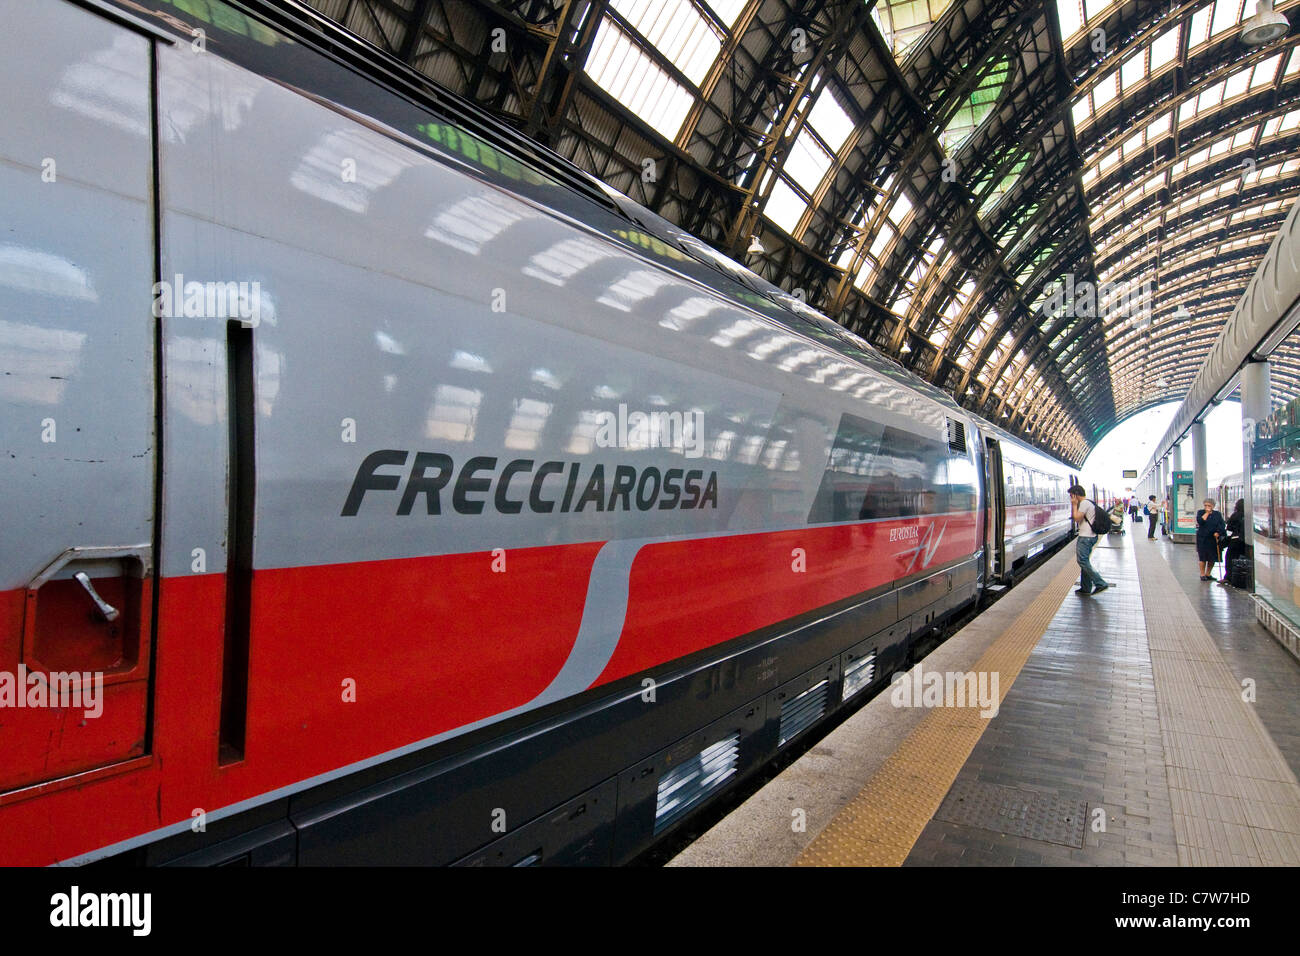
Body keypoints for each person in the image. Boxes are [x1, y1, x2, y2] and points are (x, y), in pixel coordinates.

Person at [1069, 485, 1110, 596]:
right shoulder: (1088, 503)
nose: (1070, 498)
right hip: (1090, 536)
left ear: (1075, 494)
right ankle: (1085, 588)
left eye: (1071, 496)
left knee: (1082, 561)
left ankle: (1100, 583)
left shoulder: (1084, 504)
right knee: (1085, 561)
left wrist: (1074, 505)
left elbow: (1077, 518)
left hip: (1086, 537)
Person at [1195, 498, 1226, 581]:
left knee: (1212, 557)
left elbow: (1221, 524)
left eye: (1209, 506)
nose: (1207, 507)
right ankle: (1202, 574)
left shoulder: (1217, 514)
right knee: (1203, 557)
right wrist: (1207, 513)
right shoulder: (1201, 512)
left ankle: (1208, 573)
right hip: (1202, 538)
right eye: (1205, 505)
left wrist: (1218, 532)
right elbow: (1200, 521)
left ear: (1213, 506)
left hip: (1213, 538)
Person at [1220, 498, 1246, 585]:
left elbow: (1229, 528)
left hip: (1235, 540)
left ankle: (1229, 577)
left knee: (1230, 558)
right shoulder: (1248, 515)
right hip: (1245, 541)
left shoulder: (1236, 515)